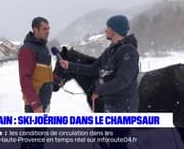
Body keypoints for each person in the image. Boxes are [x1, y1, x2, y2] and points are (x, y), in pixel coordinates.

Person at [59, 15, 139, 149]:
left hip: (124, 108)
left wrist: (99, 91)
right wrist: (70, 66)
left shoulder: (128, 51)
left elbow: (123, 80)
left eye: (108, 27)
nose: (105, 30)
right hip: (111, 104)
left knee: (117, 144)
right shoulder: (110, 50)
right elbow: (93, 69)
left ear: (115, 30)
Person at [18, 17, 53, 149]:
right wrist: (35, 104)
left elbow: (43, 73)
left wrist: (55, 80)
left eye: (48, 29)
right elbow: (25, 79)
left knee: (38, 138)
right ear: (35, 29)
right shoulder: (28, 49)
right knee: (32, 139)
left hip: (44, 101)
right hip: (35, 104)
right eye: (44, 29)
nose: (48, 31)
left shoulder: (43, 47)